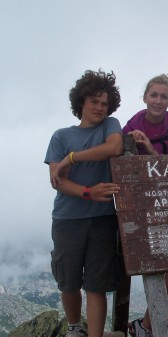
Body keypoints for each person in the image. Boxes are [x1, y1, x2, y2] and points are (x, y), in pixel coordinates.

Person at [44, 70, 124, 337]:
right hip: (67, 218)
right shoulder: (60, 136)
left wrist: (73, 158)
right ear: (81, 102)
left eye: (104, 102)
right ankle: (75, 327)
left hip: (102, 218)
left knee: (96, 284)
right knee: (68, 281)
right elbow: (57, 180)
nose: (100, 107)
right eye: (94, 101)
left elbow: (114, 148)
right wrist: (89, 192)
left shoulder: (110, 125)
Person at [122, 74, 168, 337]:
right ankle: (147, 327)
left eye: (164, 96)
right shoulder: (130, 127)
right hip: (143, 207)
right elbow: (123, 169)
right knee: (151, 263)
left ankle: (145, 326)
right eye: (154, 95)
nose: (158, 101)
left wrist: (149, 149)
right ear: (145, 97)